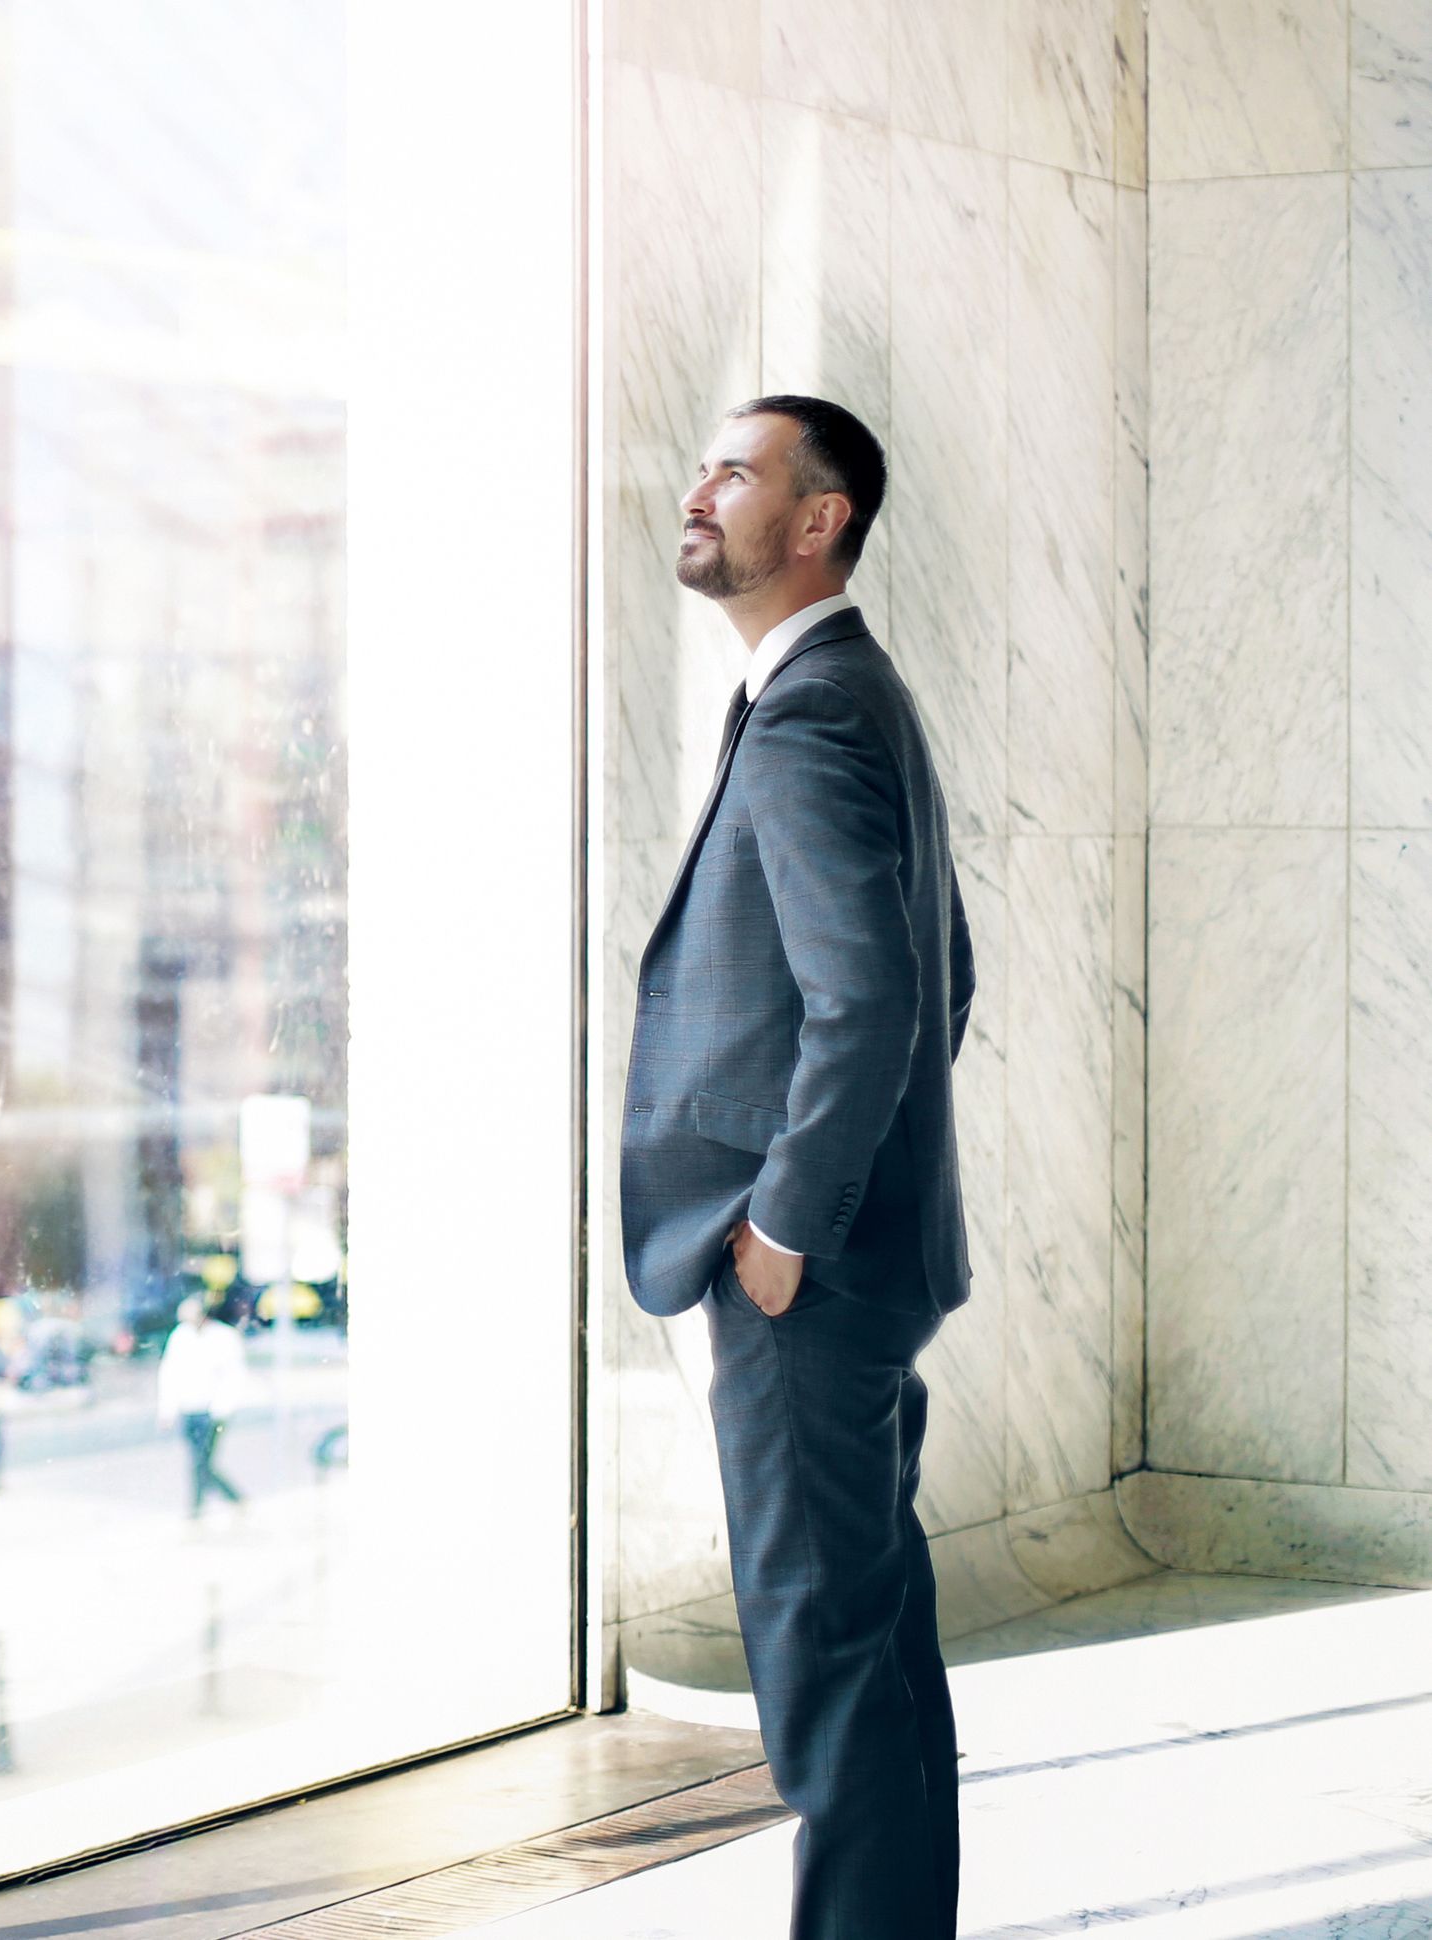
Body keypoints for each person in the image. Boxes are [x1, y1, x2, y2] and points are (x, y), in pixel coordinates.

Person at [619, 395, 975, 1940]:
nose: (700, 488)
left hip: (804, 1283)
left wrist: (782, 1220)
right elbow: (942, 969)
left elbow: (882, 995)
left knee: (824, 1677)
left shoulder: (817, 705)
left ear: (818, 518)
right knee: (873, 1646)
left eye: (738, 471)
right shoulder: (834, 689)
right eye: (705, 463)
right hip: (861, 1263)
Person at [156, 1297, 251, 1523]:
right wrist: (167, 1409)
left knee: (201, 1463)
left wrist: (222, 1408)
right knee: (199, 1463)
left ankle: (198, 1510)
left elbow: (233, 1376)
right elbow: (170, 1373)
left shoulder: (224, 1338)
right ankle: (230, 1501)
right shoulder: (181, 1336)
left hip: (212, 1411)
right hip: (189, 1409)